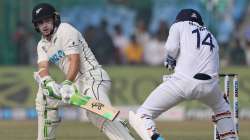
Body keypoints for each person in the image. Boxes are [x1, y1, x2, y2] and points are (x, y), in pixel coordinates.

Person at [129, 9, 237, 140]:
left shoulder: (179, 25)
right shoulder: (211, 36)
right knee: (222, 108)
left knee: (142, 115)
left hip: (183, 82)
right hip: (211, 85)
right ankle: (230, 138)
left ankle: (156, 137)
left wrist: (170, 58)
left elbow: (171, 48)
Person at [31, 3, 134, 140]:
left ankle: (121, 129)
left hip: (92, 77)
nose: (44, 25)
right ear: (36, 26)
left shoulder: (65, 30)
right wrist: (47, 81)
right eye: (40, 23)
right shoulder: (42, 45)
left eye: (47, 20)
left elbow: (75, 60)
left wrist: (66, 83)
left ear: (55, 19)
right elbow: (43, 68)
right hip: (75, 84)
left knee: (97, 113)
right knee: (44, 96)